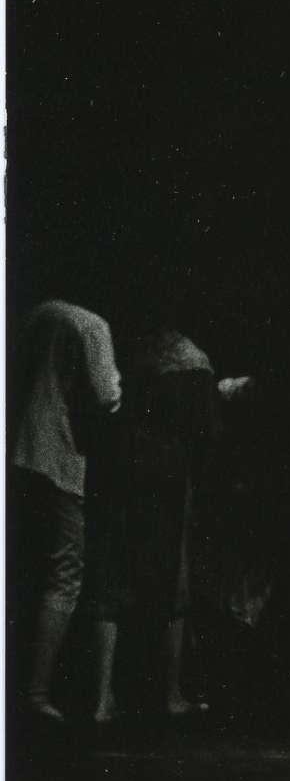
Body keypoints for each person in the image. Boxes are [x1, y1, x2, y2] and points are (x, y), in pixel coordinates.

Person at [84, 305, 218, 723]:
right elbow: (206, 431)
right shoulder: (192, 361)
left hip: (120, 469)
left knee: (112, 575)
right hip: (169, 474)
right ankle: (169, 693)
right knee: (172, 580)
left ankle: (102, 696)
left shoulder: (131, 352)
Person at [11, 295, 123, 722]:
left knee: (24, 565)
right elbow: (107, 395)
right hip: (60, 457)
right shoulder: (91, 323)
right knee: (65, 573)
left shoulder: (39, 312)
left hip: (19, 448)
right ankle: (36, 690)